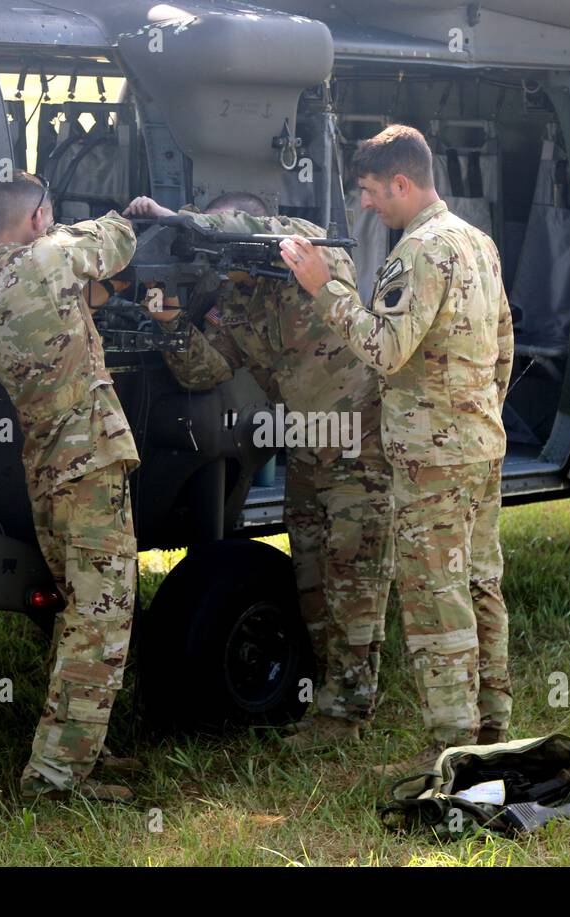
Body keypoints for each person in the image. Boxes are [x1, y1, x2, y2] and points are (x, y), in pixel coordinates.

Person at [280, 125, 514, 775]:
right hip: (480, 447)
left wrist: (323, 286)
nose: (366, 205)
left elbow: (384, 349)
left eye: (372, 192)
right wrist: (481, 418)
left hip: (432, 460)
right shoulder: (479, 244)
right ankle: (493, 725)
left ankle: (453, 751)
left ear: (403, 184)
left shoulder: (418, 254)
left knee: (434, 597)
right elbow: (502, 348)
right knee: (480, 584)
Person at [124, 191, 393, 748]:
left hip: (358, 445)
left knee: (355, 577)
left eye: (222, 234)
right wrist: (170, 321)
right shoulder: (239, 299)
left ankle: (349, 710)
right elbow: (208, 369)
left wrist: (179, 220)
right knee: (313, 575)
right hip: (307, 449)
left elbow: (263, 228)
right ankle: (331, 691)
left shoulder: (309, 251)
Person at [0, 171, 140, 801]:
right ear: (39, 218)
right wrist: (132, 210)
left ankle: (80, 743)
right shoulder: (53, 255)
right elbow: (118, 240)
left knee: (78, 610)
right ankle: (56, 775)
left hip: (45, 464)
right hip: (88, 459)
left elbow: (53, 314)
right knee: (103, 615)